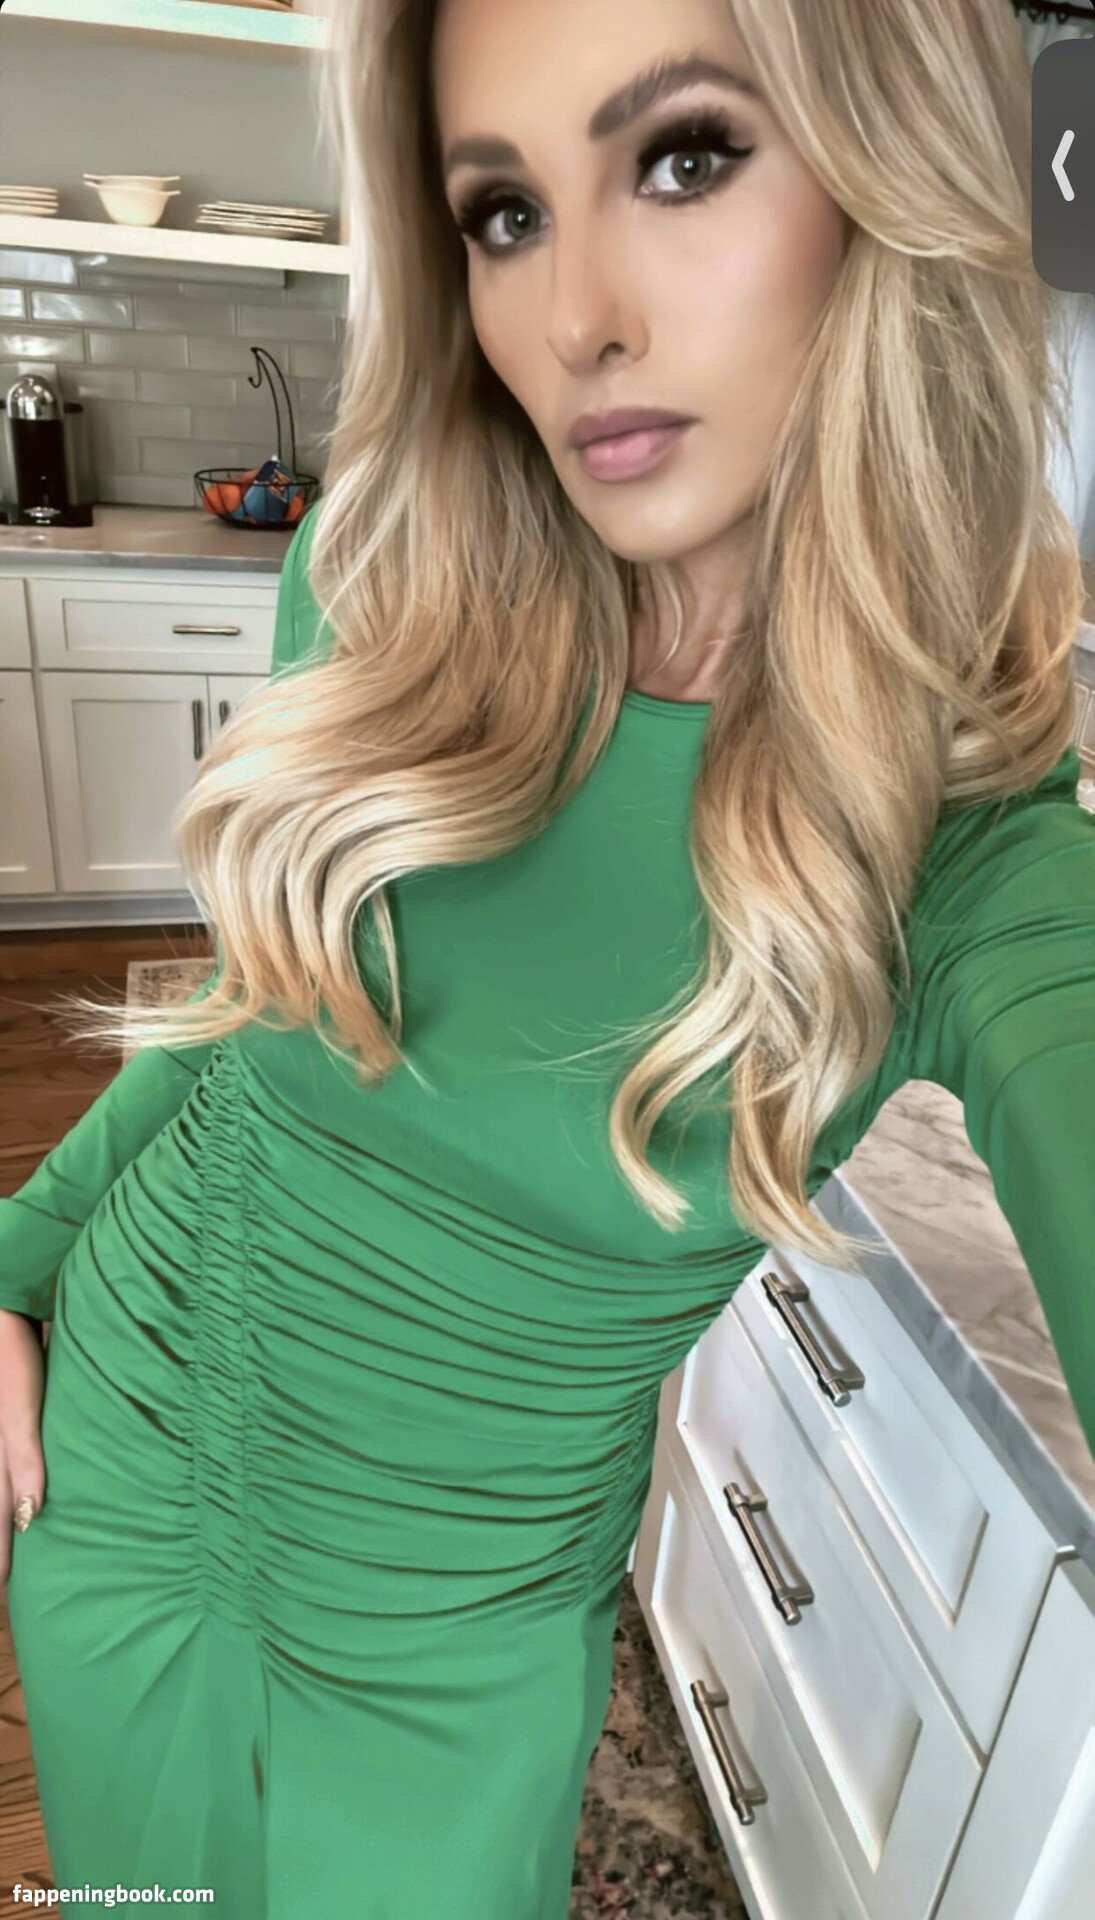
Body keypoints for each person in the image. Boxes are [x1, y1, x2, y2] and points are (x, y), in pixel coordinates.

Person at [2, 0, 1093, 1913]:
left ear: (893, 178)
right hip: (108, 1478)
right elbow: (257, 1017)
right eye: (503, 213)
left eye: (684, 158)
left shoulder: (969, 846)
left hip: (458, 1660)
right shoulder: (386, 580)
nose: (574, 314)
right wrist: (17, 1251)